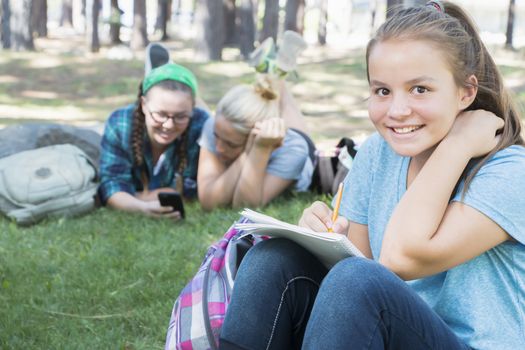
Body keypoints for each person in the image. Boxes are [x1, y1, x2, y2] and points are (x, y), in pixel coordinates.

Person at [219, 1, 525, 349]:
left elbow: (400, 258)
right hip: (382, 334)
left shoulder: (510, 173)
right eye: (382, 90)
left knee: (359, 281)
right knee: (274, 261)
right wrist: (320, 236)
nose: (396, 111)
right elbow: (353, 263)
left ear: (465, 92)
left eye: (419, 89)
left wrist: (456, 146)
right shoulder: (378, 153)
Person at [98, 63, 209, 220]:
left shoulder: (202, 125)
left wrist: (138, 195)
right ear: (143, 104)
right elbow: (111, 185)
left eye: (181, 116)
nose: (169, 125)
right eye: (160, 114)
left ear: (193, 108)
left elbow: (200, 189)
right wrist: (143, 207)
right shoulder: (120, 123)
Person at [197, 74, 314, 210]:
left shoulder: (294, 150)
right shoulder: (216, 126)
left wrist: (260, 149)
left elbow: (244, 206)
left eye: (231, 144)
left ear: (255, 135)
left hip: (298, 147)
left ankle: (279, 76)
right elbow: (209, 201)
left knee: (286, 103)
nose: (219, 148)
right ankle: (274, 71)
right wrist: (246, 152)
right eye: (215, 136)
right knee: (275, 81)